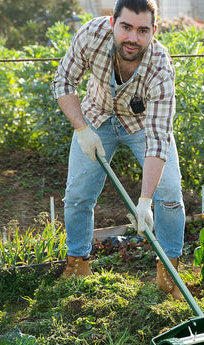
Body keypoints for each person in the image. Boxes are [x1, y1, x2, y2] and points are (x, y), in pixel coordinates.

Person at [52, 0, 185, 300]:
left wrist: (145, 201)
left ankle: (169, 275)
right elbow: (63, 81)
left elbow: (159, 138)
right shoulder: (91, 35)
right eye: (125, 27)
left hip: (141, 126)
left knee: (170, 197)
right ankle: (77, 264)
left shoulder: (161, 66)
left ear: (154, 31)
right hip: (96, 116)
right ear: (112, 24)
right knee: (78, 194)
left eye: (142, 30)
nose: (132, 38)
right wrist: (82, 129)